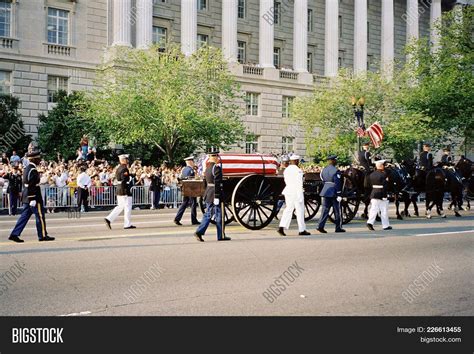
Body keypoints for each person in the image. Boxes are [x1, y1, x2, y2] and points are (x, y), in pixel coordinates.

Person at [8, 149, 55, 243]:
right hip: (34, 197)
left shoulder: (27, 168)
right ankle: (42, 235)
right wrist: (32, 198)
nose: (40, 160)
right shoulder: (32, 170)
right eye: (38, 158)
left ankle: (14, 234)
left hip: (27, 197)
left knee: (24, 216)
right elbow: (31, 185)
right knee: (40, 216)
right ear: (34, 159)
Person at [194, 148, 231, 242]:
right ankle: (219, 235)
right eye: (217, 156)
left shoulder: (207, 168)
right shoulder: (216, 168)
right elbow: (217, 183)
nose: (218, 158)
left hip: (209, 193)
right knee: (218, 215)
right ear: (213, 157)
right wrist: (217, 196)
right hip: (215, 194)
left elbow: (205, 183)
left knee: (208, 214)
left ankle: (200, 231)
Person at [277, 155, 310, 236]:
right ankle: (302, 230)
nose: (298, 162)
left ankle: (281, 227)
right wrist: (300, 196)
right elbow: (299, 184)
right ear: (295, 161)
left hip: (288, 190)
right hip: (296, 191)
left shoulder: (286, 170)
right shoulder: (298, 170)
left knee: (288, 209)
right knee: (300, 211)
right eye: (298, 161)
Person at [104, 154, 136, 230]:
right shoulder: (124, 168)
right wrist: (131, 178)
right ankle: (127, 224)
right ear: (123, 160)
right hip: (124, 189)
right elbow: (124, 179)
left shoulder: (119, 168)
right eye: (126, 159)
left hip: (120, 188)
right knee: (127, 207)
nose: (127, 161)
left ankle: (109, 218)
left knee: (120, 206)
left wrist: (130, 175)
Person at [316, 155, 345, 234]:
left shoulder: (324, 170)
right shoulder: (336, 170)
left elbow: (322, 179)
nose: (336, 161)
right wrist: (339, 193)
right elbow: (338, 182)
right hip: (334, 191)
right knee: (337, 210)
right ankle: (338, 227)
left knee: (325, 210)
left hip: (326, 190)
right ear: (333, 161)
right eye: (335, 160)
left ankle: (320, 226)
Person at [367, 160, 392, 231]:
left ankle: (370, 222)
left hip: (374, 193)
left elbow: (370, 185)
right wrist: (384, 196)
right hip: (381, 194)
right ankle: (385, 225)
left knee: (373, 210)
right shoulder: (384, 175)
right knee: (384, 210)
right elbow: (385, 186)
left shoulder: (371, 175)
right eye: (383, 165)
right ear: (381, 166)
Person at [174, 156, 199, 225]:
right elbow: (191, 179)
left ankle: (177, 218)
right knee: (193, 204)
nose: (193, 163)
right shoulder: (190, 170)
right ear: (190, 162)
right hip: (190, 189)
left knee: (184, 203)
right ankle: (194, 220)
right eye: (193, 161)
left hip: (185, 188)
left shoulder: (184, 169)